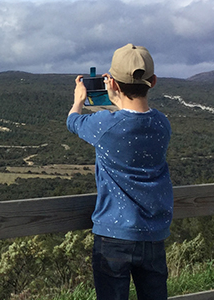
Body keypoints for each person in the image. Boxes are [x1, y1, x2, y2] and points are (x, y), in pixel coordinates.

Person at [66, 43, 173, 300]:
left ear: (111, 83)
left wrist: (79, 100)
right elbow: (132, 121)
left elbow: (73, 121)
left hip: (113, 235)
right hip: (154, 233)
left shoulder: (104, 125)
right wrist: (118, 99)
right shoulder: (162, 124)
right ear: (153, 81)